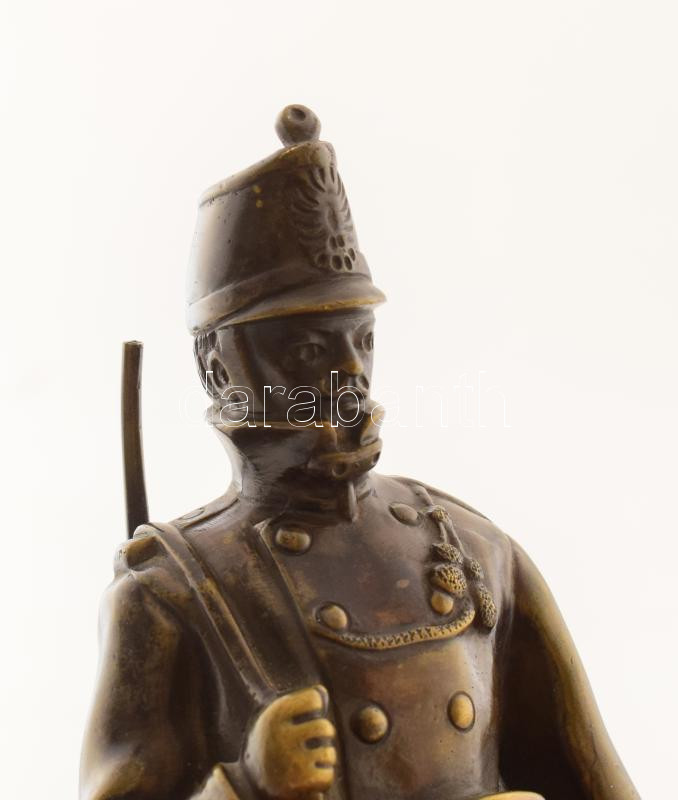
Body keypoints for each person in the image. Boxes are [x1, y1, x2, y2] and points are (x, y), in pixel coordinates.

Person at [80, 105, 639, 800]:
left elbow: (595, 781)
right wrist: (244, 785)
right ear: (220, 368)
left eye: (361, 340)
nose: (349, 376)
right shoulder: (170, 592)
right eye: (307, 351)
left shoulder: (476, 550)